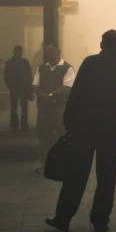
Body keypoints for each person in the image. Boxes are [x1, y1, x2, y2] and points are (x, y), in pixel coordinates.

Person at [45, 30, 116, 232]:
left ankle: (63, 219)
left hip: (85, 129)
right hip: (112, 132)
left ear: (101, 44)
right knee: (107, 178)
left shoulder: (89, 63)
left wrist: (68, 121)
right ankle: (100, 220)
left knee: (76, 175)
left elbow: (76, 92)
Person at [33, 43, 75, 172]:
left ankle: (63, 163)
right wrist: (44, 96)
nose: (48, 56)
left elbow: (67, 87)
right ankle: (46, 163)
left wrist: (50, 95)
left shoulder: (67, 68)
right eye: (47, 53)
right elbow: (35, 85)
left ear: (58, 52)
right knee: (44, 135)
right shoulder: (41, 68)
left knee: (62, 134)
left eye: (51, 53)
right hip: (44, 108)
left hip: (59, 107)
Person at [4, 45, 34, 132]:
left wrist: (10, 86)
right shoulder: (25, 62)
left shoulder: (9, 63)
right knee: (24, 107)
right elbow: (29, 76)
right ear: (21, 52)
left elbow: (6, 77)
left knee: (13, 106)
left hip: (14, 88)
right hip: (24, 88)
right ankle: (24, 125)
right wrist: (30, 89)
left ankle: (14, 124)